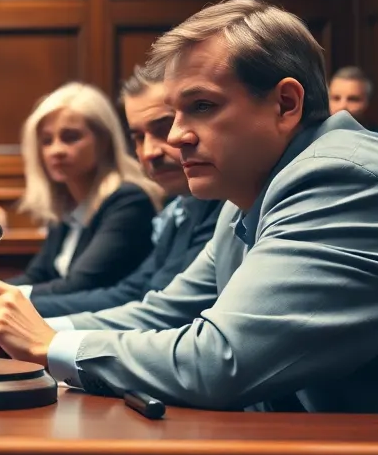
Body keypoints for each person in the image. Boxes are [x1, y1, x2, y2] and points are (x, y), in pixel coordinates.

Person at [0, 0, 378, 413]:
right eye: (176, 113)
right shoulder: (246, 192)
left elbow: (219, 360)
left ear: (285, 103)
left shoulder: (343, 179)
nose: (177, 135)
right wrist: (36, 332)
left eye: (202, 105)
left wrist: (49, 345)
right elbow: (164, 313)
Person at [15, 69, 222, 317]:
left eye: (163, 128)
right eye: (138, 137)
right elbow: (138, 293)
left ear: (104, 141)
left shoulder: (131, 200)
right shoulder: (183, 205)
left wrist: (18, 310)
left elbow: (163, 311)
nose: (149, 152)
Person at [5, 82, 162, 295]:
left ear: (104, 141)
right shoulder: (66, 204)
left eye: (70, 137)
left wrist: (6, 297)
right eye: (47, 141)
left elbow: (79, 285)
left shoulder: (128, 201)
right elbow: (38, 275)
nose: (56, 150)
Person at [327, 65, 378, 147]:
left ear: (368, 102)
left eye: (353, 99)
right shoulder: (316, 137)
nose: (342, 106)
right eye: (335, 98)